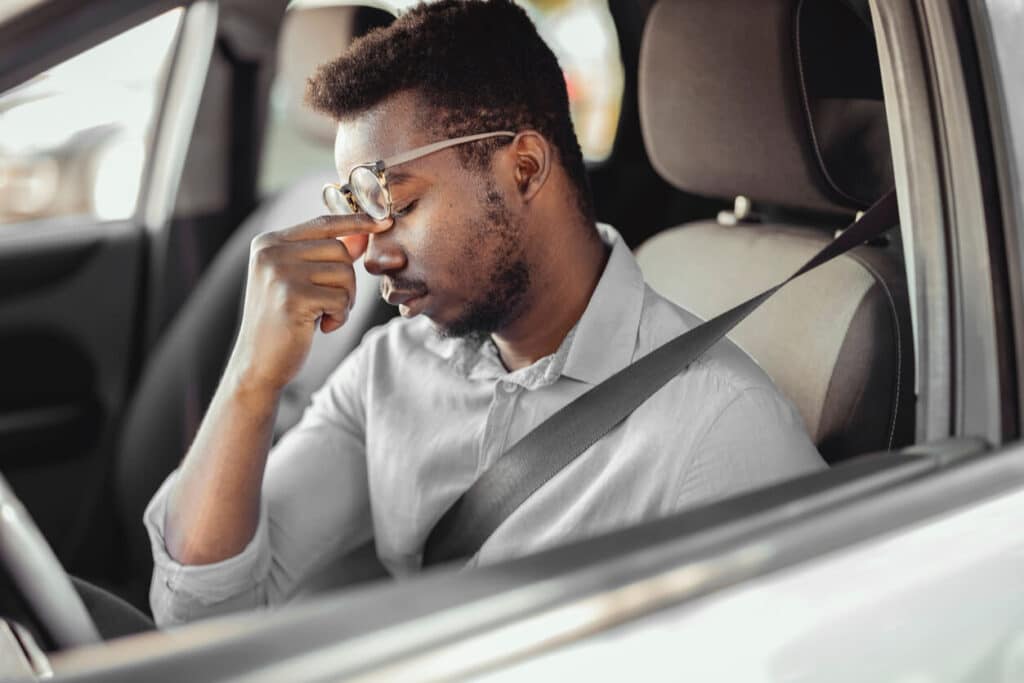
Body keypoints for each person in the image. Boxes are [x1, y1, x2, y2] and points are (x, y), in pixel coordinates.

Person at [145, 0, 825, 626]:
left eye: (396, 205)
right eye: (358, 213)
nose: (370, 254)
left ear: (524, 167)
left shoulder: (718, 427)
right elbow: (202, 613)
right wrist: (253, 378)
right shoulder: (391, 371)